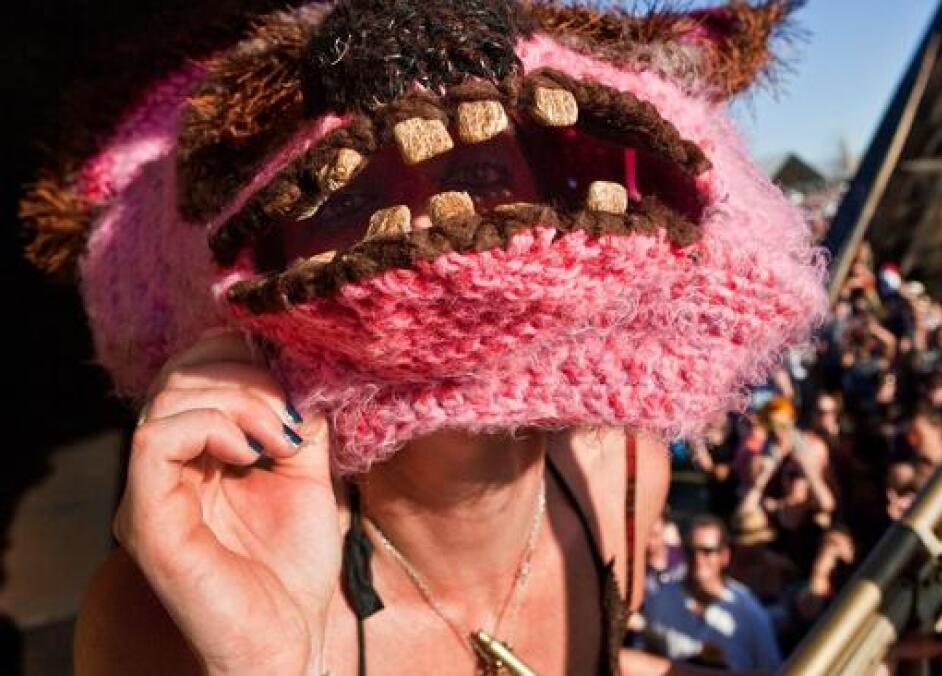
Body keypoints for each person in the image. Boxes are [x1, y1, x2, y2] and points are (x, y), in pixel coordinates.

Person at [23, 1, 827, 674]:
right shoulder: (163, 614)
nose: (445, 193)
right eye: (357, 199)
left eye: (496, 162)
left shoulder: (622, 472)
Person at [640, 515, 783, 671]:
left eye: (707, 551)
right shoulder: (660, 600)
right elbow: (647, 656)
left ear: (724, 556)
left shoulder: (748, 611)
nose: (698, 558)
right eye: (691, 550)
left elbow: (771, 668)